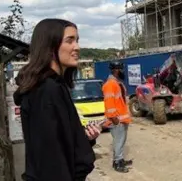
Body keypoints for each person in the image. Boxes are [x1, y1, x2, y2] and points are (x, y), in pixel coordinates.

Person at [13, 18, 100, 180]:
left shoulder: (54, 86)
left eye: (77, 40)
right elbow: (51, 161)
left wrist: (83, 139)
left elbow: (60, 143)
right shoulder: (46, 90)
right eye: (70, 40)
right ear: (50, 46)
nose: (77, 47)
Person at [102, 61, 132, 173]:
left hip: (122, 119)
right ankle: (117, 163)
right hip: (117, 120)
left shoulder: (116, 83)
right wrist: (114, 119)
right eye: (122, 69)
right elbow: (109, 103)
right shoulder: (110, 84)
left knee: (121, 141)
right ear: (116, 70)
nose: (123, 72)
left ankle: (119, 159)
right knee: (118, 142)